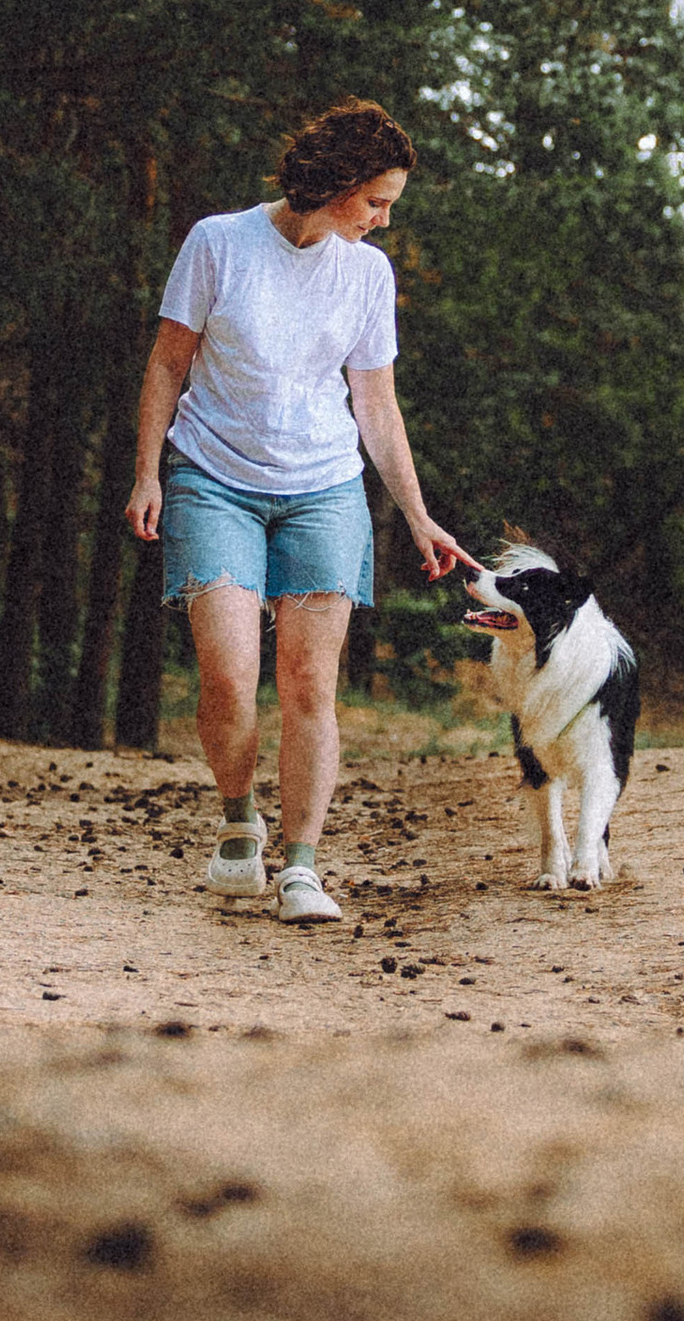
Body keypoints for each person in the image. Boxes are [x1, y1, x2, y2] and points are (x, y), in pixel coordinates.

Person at [124, 100, 477, 923]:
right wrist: (148, 474)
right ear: (337, 183)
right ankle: (238, 820)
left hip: (323, 488)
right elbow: (167, 364)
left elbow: (377, 406)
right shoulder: (219, 243)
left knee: (312, 682)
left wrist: (419, 516)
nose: (383, 221)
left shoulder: (366, 274)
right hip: (213, 480)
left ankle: (303, 866)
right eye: (376, 201)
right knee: (229, 674)